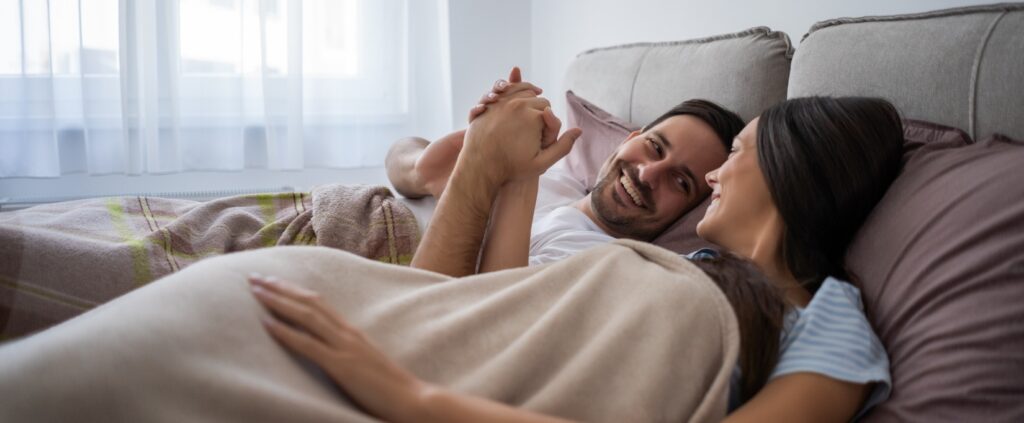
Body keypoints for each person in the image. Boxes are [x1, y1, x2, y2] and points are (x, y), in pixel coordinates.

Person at [247, 68, 905, 422]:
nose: (712, 177)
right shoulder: (694, 271)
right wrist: (519, 181)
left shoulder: (831, 322)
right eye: (659, 151)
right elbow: (505, 310)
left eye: (731, 155)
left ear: (788, 175)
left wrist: (415, 399)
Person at [386, 67, 745, 271]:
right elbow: (398, 154)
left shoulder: (607, 263)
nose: (649, 174)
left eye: (680, 181)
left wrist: (494, 173)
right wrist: (422, 169)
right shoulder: (559, 181)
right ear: (628, 138)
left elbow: (481, 312)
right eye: (653, 147)